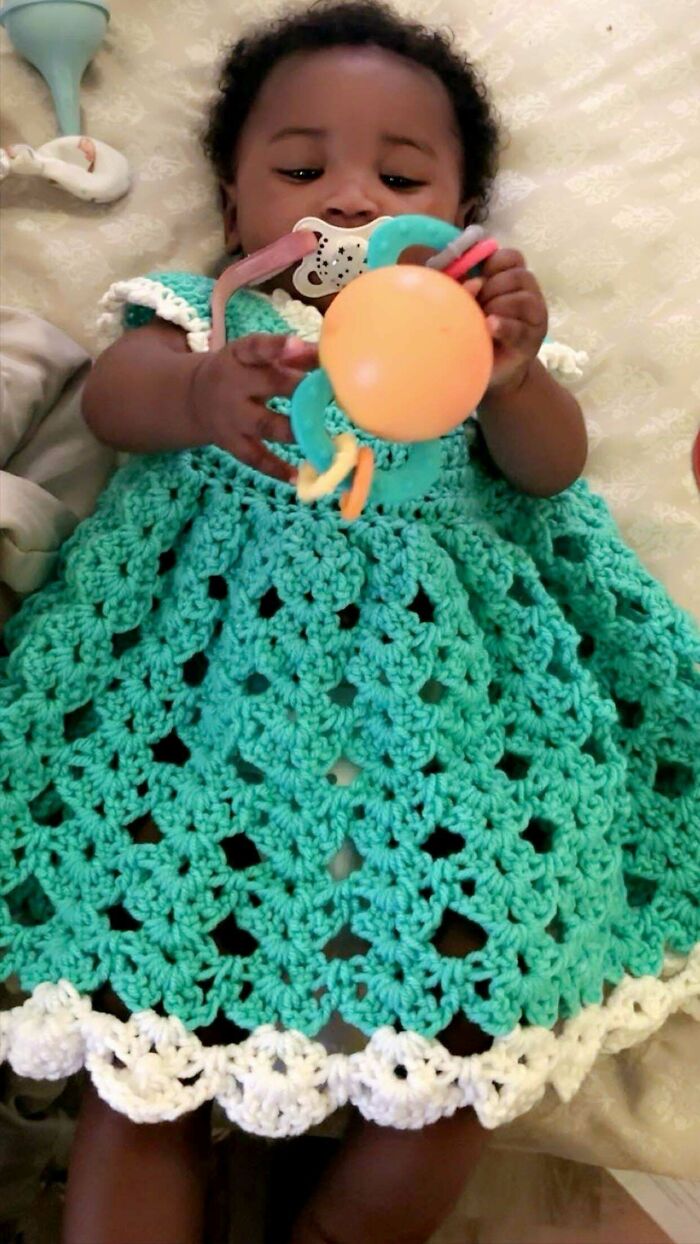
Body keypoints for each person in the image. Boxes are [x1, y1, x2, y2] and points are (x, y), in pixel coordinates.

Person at [1, 4, 697, 1242]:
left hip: (437, 730)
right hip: (208, 716)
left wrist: (516, 376)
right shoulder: (206, 313)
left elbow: (549, 474)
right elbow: (116, 402)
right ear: (232, 203)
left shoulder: (476, 337)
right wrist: (200, 389)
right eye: (302, 168)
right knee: (142, 1037)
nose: (353, 199)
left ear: (463, 215)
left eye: (401, 173)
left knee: (474, 1032)